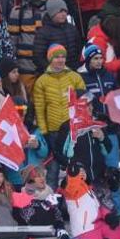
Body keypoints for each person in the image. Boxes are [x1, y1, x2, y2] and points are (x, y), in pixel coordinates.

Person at [32, 44, 85, 186]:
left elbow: (84, 103)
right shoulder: (41, 81)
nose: (60, 60)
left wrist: (80, 125)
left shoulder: (75, 77)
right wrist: (44, 132)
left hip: (73, 130)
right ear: (50, 59)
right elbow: (40, 109)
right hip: (54, 131)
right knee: (53, 169)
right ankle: (52, 202)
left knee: (76, 166)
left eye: (63, 57)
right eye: (57, 57)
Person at [7, 0, 47, 90]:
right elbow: (12, 42)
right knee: (27, 101)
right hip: (26, 67)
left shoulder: (50, 10)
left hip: (46, 66)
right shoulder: (18, 12)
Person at [33, 0, 81, 72]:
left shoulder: (72, 29)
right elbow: (38, 57)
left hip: (73, 72)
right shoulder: (43, 32)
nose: (63, 14)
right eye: (60, 11)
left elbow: (79, 50)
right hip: (53, 75)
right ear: (52, 13)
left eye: (65, 11)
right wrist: (52, 69)